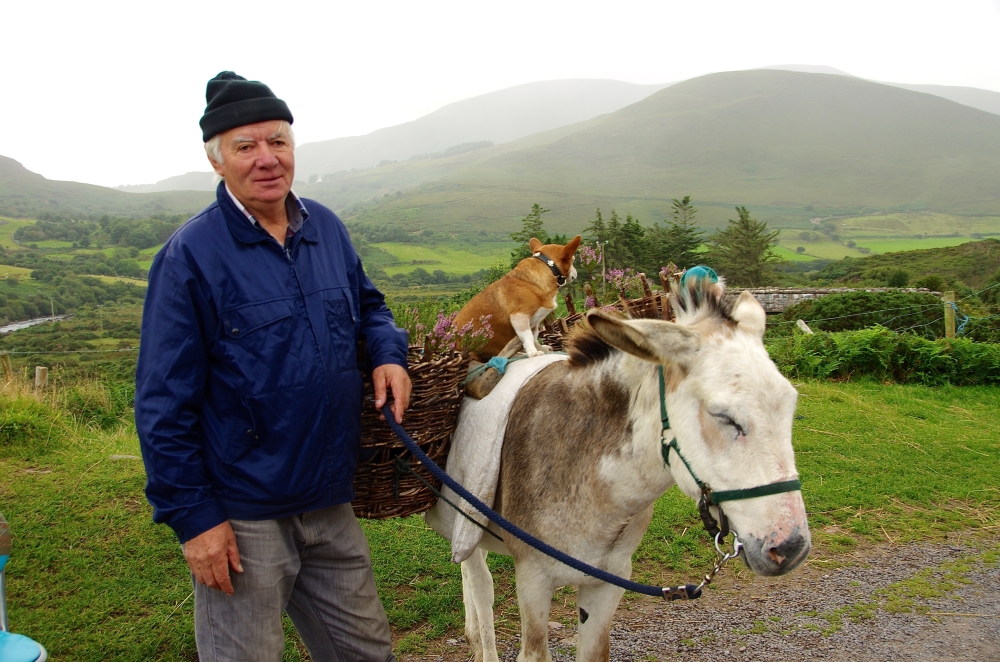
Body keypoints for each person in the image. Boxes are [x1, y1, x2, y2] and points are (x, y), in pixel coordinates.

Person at [135, 71, 411, 662]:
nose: (267, 158)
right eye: (246, 146)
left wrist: (388, 355)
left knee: (367, 653)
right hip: (245, 515)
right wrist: (195, 520)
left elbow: (369, 307)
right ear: (216, 161)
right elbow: (162, 405)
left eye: (278, 141)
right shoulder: (190, 257)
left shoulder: (325, 229)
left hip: (329, 503)